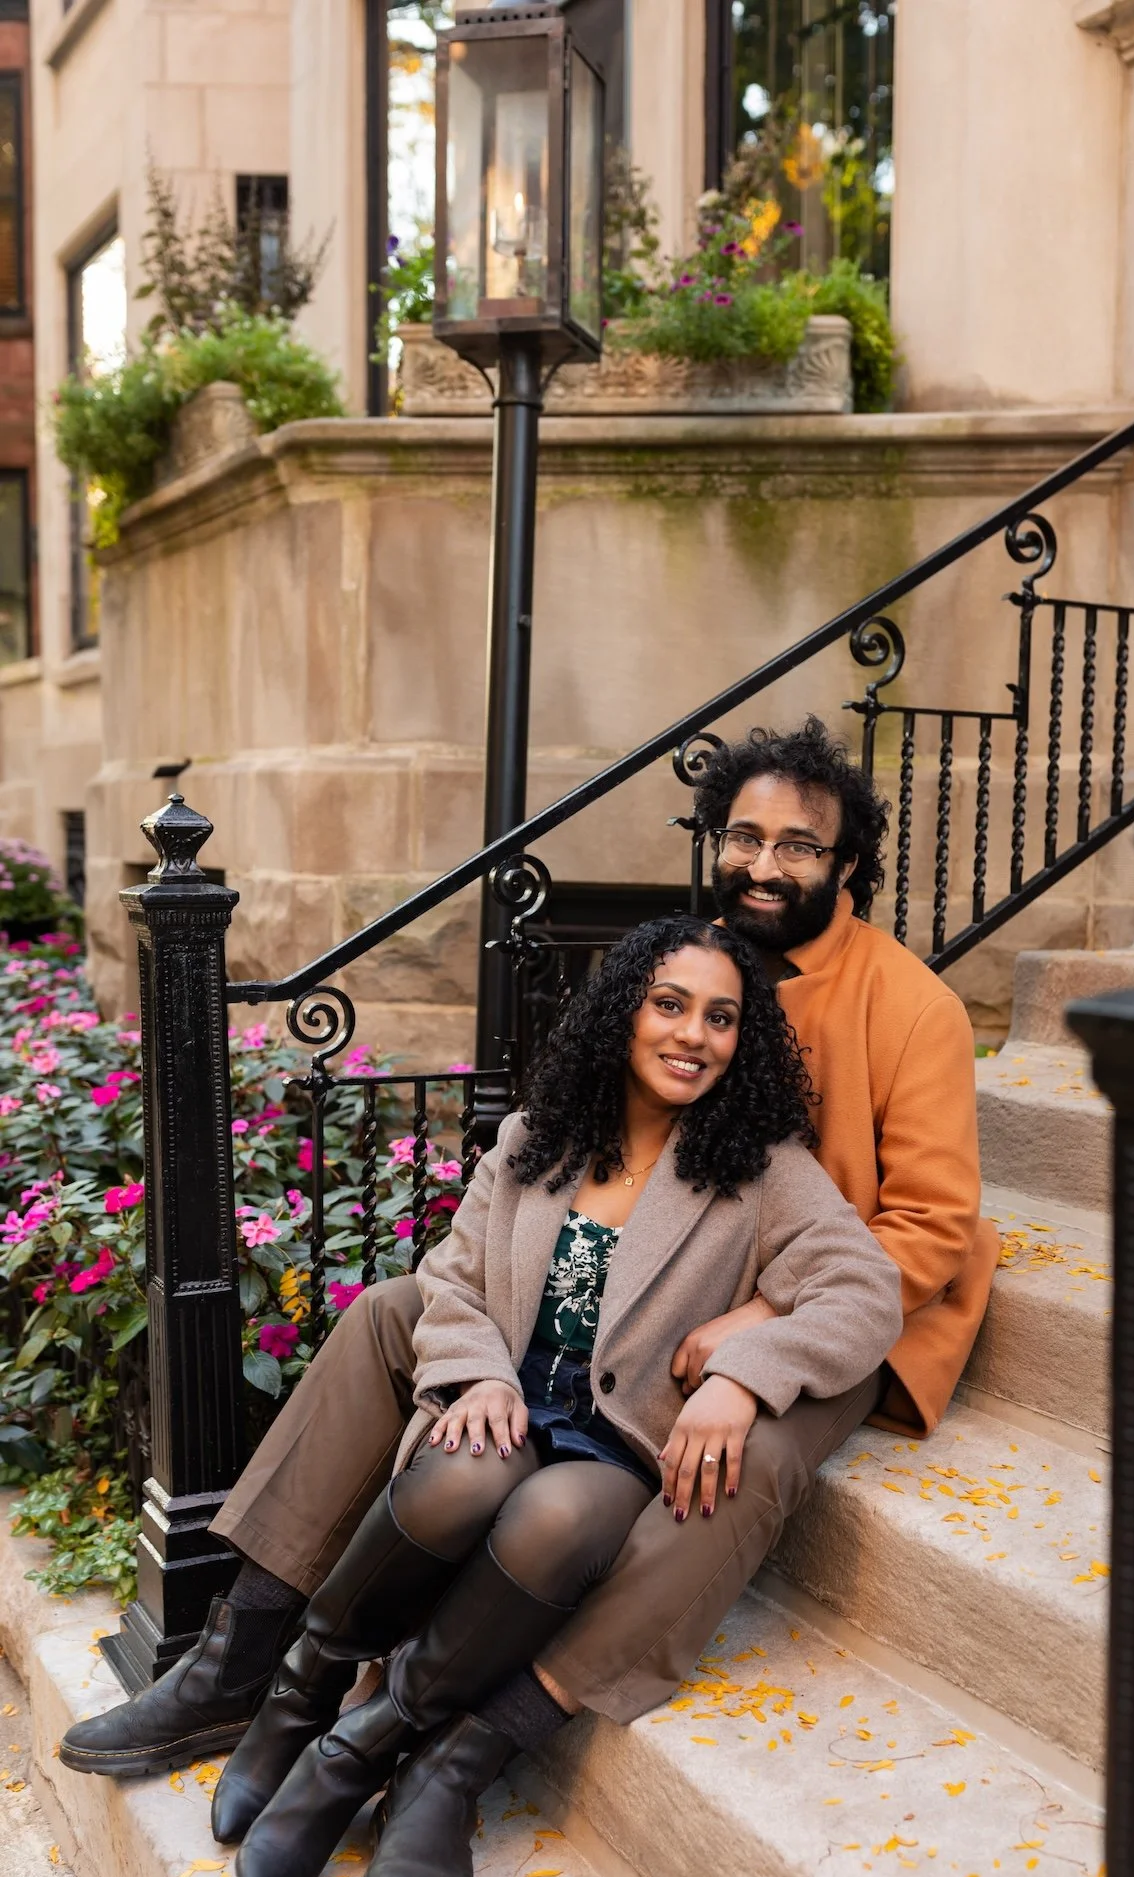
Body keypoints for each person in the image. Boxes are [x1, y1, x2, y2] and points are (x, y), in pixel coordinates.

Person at [59, 717, 996, 1789]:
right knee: (392, 1313)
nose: (764, 863)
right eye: (746, 837)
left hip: (829, 1310)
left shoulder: (911, 1005)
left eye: (798, 845)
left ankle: (483, 1734)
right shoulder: (702, 966)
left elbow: (923, 1229)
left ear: (847, 863)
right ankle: (241, 1654)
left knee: (738, 1458)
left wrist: (754, 1335)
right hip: (658, 1276)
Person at [202, 916, 900, 1877]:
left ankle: (363, 1746)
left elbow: (865, 1288)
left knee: (553, 1514)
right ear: (623, 1009)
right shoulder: (537, 1137)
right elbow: (450, 1278)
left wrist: (748, 1373)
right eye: (670, 1004)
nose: (693, 1034)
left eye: (721, 1016)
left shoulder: (763, 1168)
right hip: (514, 1402)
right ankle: (299, 1696)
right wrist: (478, 1372)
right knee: (460, 1483)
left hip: (616, 1445)